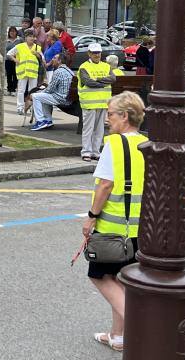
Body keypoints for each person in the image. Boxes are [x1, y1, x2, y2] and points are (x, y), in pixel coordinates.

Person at [82, 91, 148, 353]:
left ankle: (140, 325)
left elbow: (106, 185)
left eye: (110, 114)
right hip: (137, 227)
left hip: (113, 227)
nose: (107, 119)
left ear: (125, 116)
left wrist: (91, 217)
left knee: (98, 275)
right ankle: (117, 336)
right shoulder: (145, 142)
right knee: (120, 280)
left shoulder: (114, 144)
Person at [79, 43, 116, 161]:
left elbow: (113, 78)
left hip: (103, 103)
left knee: (99, 130)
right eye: (94, 53)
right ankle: (86, 152)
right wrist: (104, 82)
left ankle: (95, 151)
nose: (97, 55)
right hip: (89, 102)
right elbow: (88, 82)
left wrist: (98, 80)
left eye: (98, 52)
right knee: (88, 129)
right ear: (89, 53)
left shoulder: (106, 66)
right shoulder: (84, 67)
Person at [30, 52, 75, 131]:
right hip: (68, 98)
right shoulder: (69, 71)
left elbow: (50, 89)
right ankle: (48, 120)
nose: (52, 60)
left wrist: (39, 93)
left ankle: (40, 121)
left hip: (61, 98)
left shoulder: (58, 71)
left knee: (35, 96)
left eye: (54, 58)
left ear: (59, 61)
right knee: (43, 97)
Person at [7, 29, 42, 114]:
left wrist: (38, 55)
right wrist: (16, 60)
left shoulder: (37, 47)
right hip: (22, 71)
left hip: (33, 71)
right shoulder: (20, 46)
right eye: (30, 36)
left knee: (32, 90)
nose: (32, 38)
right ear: (25, 37)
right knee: (21, 90)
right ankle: (20, 107)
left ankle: (31, 107)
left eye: (33, 36)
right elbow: (9, 54)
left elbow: (42, 59)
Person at [4, 26, 22, 95]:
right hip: (8, 59)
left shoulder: (20, 40)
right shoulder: (6, 40)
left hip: (16, 60)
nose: (12, 33)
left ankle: (13, 89)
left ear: (16, 32)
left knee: (15, 74)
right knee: (9, 74)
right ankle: (9, 89)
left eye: (14, 31)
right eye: (11, 31)